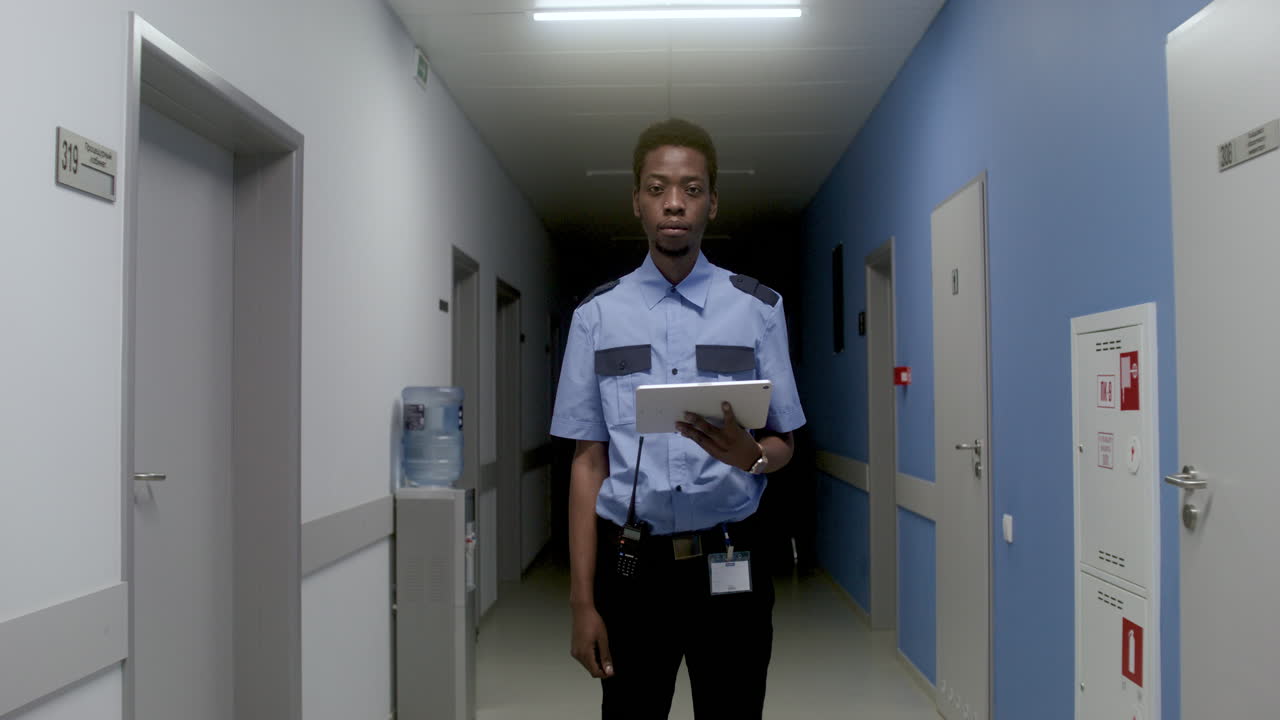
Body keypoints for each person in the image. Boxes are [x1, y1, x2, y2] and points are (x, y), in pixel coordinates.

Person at [550, 117, 806, 719]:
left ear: (712, 204)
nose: (674, 202)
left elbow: (784, 442)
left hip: (731, 560)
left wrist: (754, 456)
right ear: (636, 201)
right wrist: (581, 602)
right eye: (658, 187)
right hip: (634, 570)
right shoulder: (596, 317)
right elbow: (588, 464)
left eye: (692, 189)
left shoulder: (757, 310)